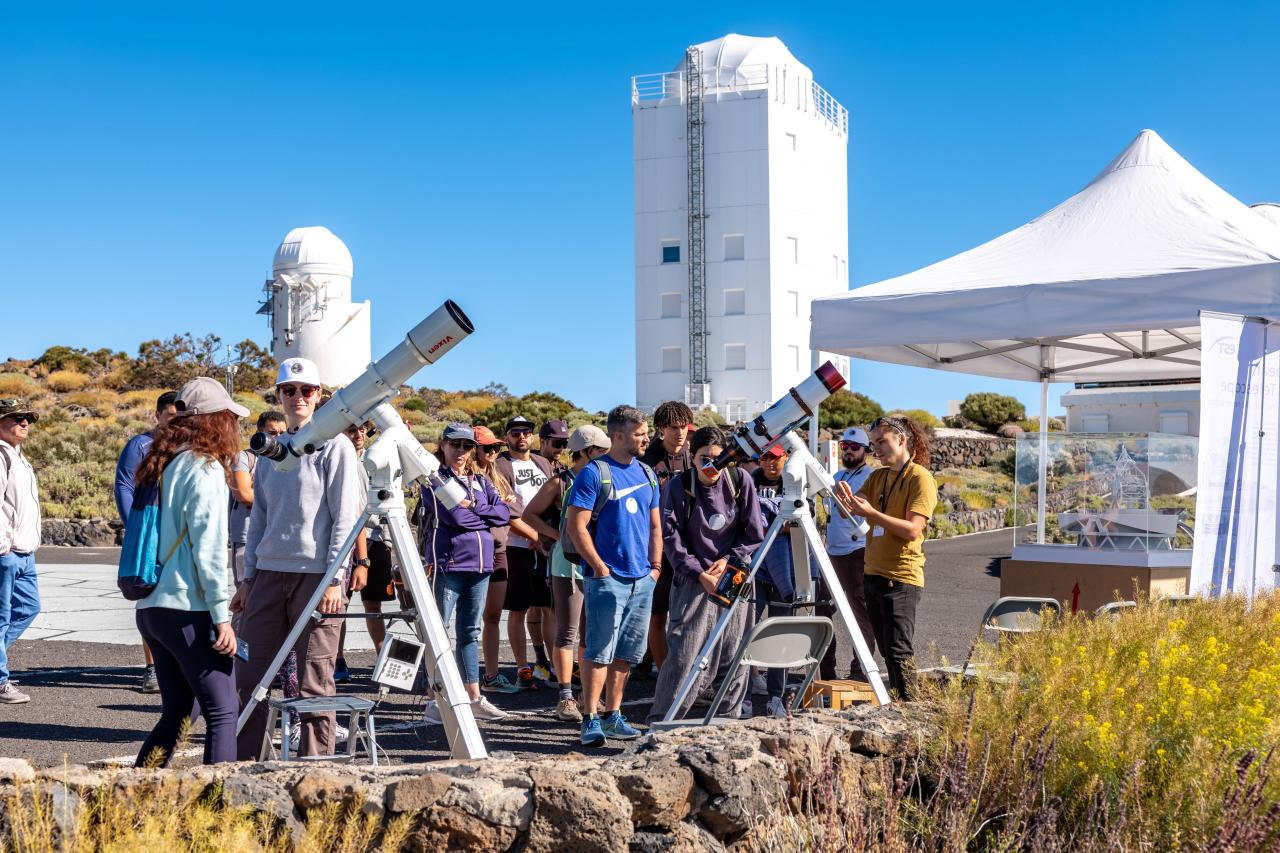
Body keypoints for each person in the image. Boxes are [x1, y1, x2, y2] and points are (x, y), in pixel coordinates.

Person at [231, 358, 364, 759]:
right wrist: (248, 579)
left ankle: (314, 770)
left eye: (307, 390)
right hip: (269, 575)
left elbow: (346, 516)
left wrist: (335, 579)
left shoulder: (335, 446)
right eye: (289, 390)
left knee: (314, 680)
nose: (298, 397)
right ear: (279, 396)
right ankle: (244, 762)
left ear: (319, 395)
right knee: (249, 675)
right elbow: (260, 519)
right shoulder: (274, 451)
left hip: (316, 579)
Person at [132, 377, 248, 765]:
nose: (235, 425)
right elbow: (210, 549)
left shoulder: (162, 463)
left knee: (179, 712)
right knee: (223, 710)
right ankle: (220, 812)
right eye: (231, 417)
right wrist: (221, 616)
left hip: (152, 606)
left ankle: (136, 794)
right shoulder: (203, 468)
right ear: (215, 421)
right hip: (188, 607)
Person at [649, 426, 765, 722]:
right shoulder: (677, 487)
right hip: (693, 579)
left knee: (734, 653)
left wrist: (729, 560)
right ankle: (665, 720)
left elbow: (753, 533)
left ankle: (727, 719)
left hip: (733, 576)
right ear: (692, 455)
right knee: (684, 653)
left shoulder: (741, 481)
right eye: (704, 459)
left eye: (718, 458)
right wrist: (698, 572)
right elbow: (671, 538)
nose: (711, 466)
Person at [565, 405, 661, 746]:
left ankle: (613, 715)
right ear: (618, 436)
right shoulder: (594, 473)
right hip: (608, 578)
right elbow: (576, 525)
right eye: (639, 434)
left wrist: (655, 569)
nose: (646, 439)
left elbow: (654, 526)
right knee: (599, 651)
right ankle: (590, 717)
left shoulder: (648, 474)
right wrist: (601, 567)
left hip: (642, 579)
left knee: (626, 655)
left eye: (646, 432)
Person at [834, 416, 936, 701]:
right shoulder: (878, 477)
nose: (875, 448)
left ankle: (911, 709)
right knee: (887, 650)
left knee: (899, 651)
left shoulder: (920, 478)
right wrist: (842, 498)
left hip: (901, 577)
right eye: (873, 442)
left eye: (882, 441)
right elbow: (849, 511)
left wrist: (873, 515)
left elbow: (913, 529)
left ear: (901, 439)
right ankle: (899, 706)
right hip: (873, 574)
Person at [420, 424, 510, 724]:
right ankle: (435, 699)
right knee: (440, 632)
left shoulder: (481, 481)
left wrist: (474, 507)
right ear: (443, 445)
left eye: (467, 446)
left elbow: (504, 514)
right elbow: (455, 517)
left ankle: (473, 696)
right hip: (450, 564)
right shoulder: (434, 479)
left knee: (470, 633)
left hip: (481, 566)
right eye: (455, 445)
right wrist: (482, 513)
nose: (461, 452)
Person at [521, 424, 611, 722]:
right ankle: (565, 696)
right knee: (567, 631)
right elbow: (528, 514)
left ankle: (588, 694)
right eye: (600, 451)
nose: (605, 456)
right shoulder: (561, 481)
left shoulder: (605, 477)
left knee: (591, 633)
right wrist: (559, 535)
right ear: (584, 452)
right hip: (568, 565)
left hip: (597, 562)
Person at [114, 390, 179, 694]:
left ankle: (177, 662)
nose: (174, 424)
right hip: (149, 532)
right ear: (157, 416)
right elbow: (124, 486)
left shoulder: (188, 447)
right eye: (169, 418)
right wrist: (135, 529)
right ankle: (152, 668)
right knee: (148, 594)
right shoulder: (140, 446)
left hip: (178, 535)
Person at [471, 425, 539, 694]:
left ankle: (490, 675)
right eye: (486, 447)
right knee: (473, 619)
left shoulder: (497, 476)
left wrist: (496, 508)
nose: (492, 452)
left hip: (499, 550)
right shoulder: (471, 477)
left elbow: (506, 512)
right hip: (477, 551)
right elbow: (500, 514)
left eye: (495, 447)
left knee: (492, 615)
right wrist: (498, 507)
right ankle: (473, 679)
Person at [495, 416, 554, 690]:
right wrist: (535, 537)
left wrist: (545, 537)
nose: (522, 437)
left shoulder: (542, 463)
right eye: (515, 432)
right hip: (516, 547)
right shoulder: (502, 466)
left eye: (527, 432)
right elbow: (508, 513)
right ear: (507, 437)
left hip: (544, 546)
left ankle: (554, 665)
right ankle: (522, 667)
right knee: (517, 609)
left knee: (549, 607)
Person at [638, 401, 694, 677]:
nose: (680, 433)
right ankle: (664, 673)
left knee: (686, 614)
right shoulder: (646, 460)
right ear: (661, 428)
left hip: (689, 546)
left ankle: (683, 669)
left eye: (684, 427)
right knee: (657, 612)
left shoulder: (694, 457)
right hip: (656, 547)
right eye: (674, 427)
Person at [823, 427, 877, 680]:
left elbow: (851, 511)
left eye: (854, 447)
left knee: (859, 611)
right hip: (832, 551)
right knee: (822, 607)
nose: (848, 450)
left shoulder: (871, 476)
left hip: (856, 551)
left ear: (866, 450)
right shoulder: (836, 475)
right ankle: (825, 668)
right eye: (845, 446)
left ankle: (860, 670)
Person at [0, 398, 42, 705]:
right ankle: (1, 681)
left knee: (29, 607)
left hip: (25, 551)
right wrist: (4, 547)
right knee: (1, 617)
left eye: (27, 417)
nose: (24, 422)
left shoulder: (18, 456)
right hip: (8, 552)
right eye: (17, 418)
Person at [333, 419, 372, 684]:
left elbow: (358, 512)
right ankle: (335, 659)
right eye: (350, 430)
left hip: (359, 543)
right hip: (341, 545)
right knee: (334, 611)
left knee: (340, 609)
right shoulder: (344, 461)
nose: (357, 435)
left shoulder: (362, 463)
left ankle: (336, 660)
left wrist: (363, 559)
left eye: (361, 430)